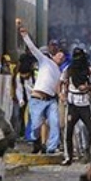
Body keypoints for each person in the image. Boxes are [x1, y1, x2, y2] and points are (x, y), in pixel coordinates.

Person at [20, 26, 64, 154]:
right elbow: (33, 49)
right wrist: (25, 36)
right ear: (53, 56)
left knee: (54, 123)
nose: (60, 58)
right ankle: (37, 145)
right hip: (37, 98)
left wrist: (60, 95)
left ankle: (51, 148)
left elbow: (57, 86)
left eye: (62, 58)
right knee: (35, 126)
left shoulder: (58, 72)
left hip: (50, 100)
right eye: (59, 56)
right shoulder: (45, 61)